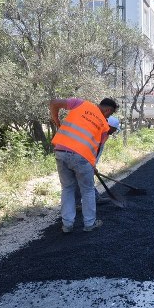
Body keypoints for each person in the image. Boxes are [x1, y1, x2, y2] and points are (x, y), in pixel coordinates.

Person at [50, 97, 118, 233]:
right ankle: (89, 224)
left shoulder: (80, 104)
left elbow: (53, 103)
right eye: (109, 115)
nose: (108, 117)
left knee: (67, 189)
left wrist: (56, 119)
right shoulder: (104, 127)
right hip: (82, 157)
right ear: (108, 110)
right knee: (87, 190)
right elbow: (96, 150)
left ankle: (67, 225)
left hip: (61, 151)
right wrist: (92, 165)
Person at [75, 116, 121, 206]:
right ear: (109, 126)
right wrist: (90, 163)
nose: (114, 131)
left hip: (89, 160)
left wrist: (93, 164)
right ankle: (77, 204)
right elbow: (87, 148)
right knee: (78, 180)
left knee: (88, 179)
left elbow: (99, 151)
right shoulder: (95, 132)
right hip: (80, 158)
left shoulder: (105, 135)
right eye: (114, 129)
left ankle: (96, 198)